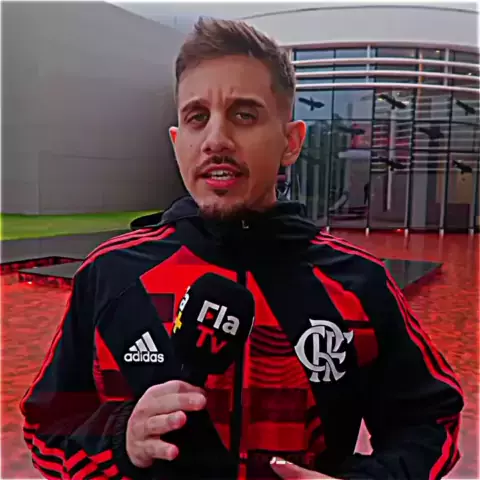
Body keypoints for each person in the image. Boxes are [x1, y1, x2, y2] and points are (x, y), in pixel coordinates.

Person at [21, 17, 463, 480]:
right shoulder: (110, 274)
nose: (216, 140)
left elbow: (431, 421)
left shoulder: (359, 283)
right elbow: (46, 427)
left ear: (291, 142)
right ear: (178, 143)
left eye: (244, 115)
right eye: (197, 117)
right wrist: (120, 439)